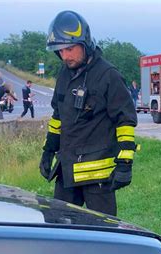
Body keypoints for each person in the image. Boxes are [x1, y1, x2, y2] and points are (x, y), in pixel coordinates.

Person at [39, 10, 138, 216]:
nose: (65, 56)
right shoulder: (65, 74)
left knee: (104, 236)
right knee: (57, 228)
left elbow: (125, 120)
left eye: (70, 49)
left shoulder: (108, 75)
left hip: (98, 178)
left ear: (85, 43)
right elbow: (58, 117)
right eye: (60, 51)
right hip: (67, 172)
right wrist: (48, 151)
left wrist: (125, 163)